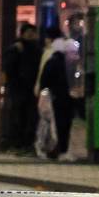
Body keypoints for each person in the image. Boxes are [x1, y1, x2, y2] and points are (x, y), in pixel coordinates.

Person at [1, 23, 42, 153]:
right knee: (18, 116)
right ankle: (16, 143)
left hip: (30, 89)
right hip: (18, 89)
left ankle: (26, 143)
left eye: (33, 32)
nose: (31, 35)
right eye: (29, 32)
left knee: (29, 117)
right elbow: (9, 68)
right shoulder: (16, 48)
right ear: (23, 33)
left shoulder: (36, 49)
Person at [37, 26, 75, 159]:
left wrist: (42, 92)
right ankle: (62, 149)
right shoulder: (70, 62)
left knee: (52, 123)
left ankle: (53, 148)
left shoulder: (51, 60)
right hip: (67, 97)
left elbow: (44, 80)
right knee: (65, 124)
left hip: (55, 96)